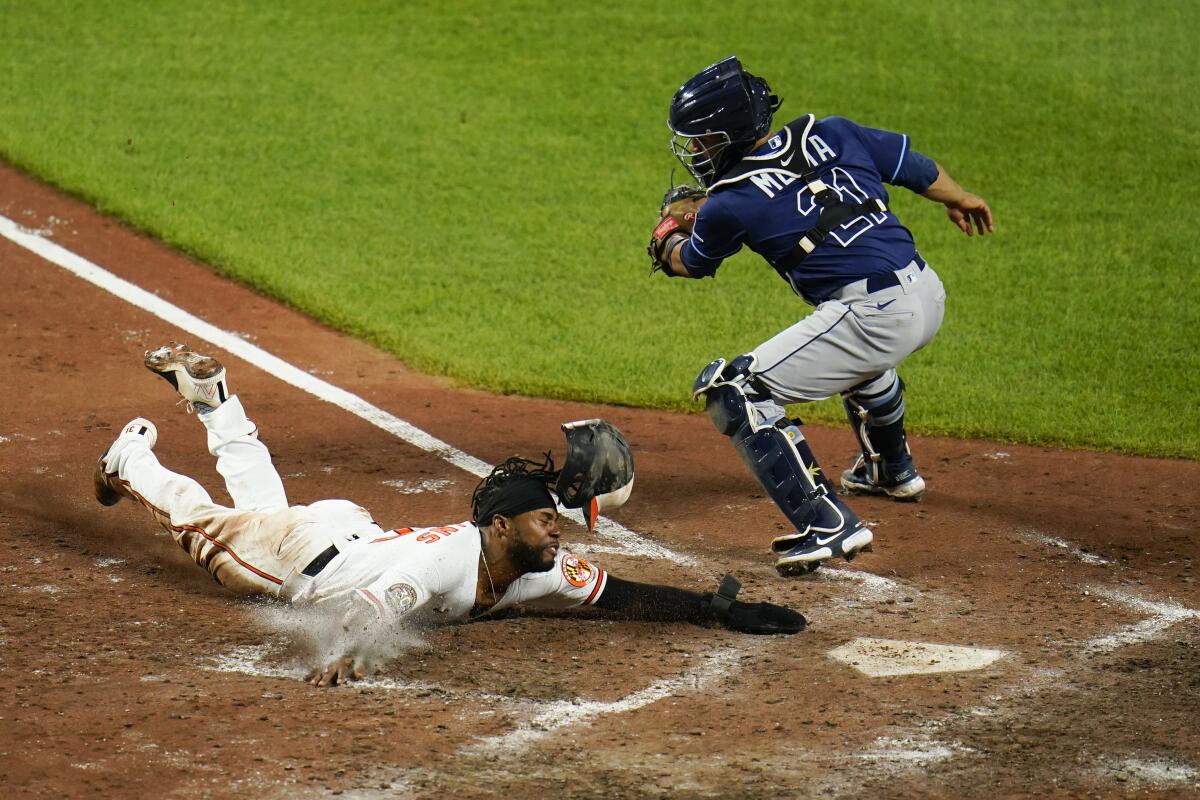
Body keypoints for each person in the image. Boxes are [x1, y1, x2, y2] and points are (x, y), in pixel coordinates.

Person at [94, 343, 805, 686]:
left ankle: (217, 403)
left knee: (261, 508)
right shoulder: (445, 561)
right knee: (204, 531)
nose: (556, 531)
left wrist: (712, 610)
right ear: (501, 528)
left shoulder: (532, 571)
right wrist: (344, 654)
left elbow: (619, 595)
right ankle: (132, 460)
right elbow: (370, 607)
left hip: (340, 532)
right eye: (545, 522)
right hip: (300, 558)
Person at [647, 57, 993, 577]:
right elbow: (915, 168)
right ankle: (890, 469)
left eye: (702, 141)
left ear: (731, 135)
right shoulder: (830, 132)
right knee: (853, 354)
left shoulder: (729, 202)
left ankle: (827, 521)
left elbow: (690, 262)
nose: (695, 151)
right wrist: (961, 197)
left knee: (736, 392)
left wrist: (666, 235)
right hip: (926, 291)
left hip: (874, 313)